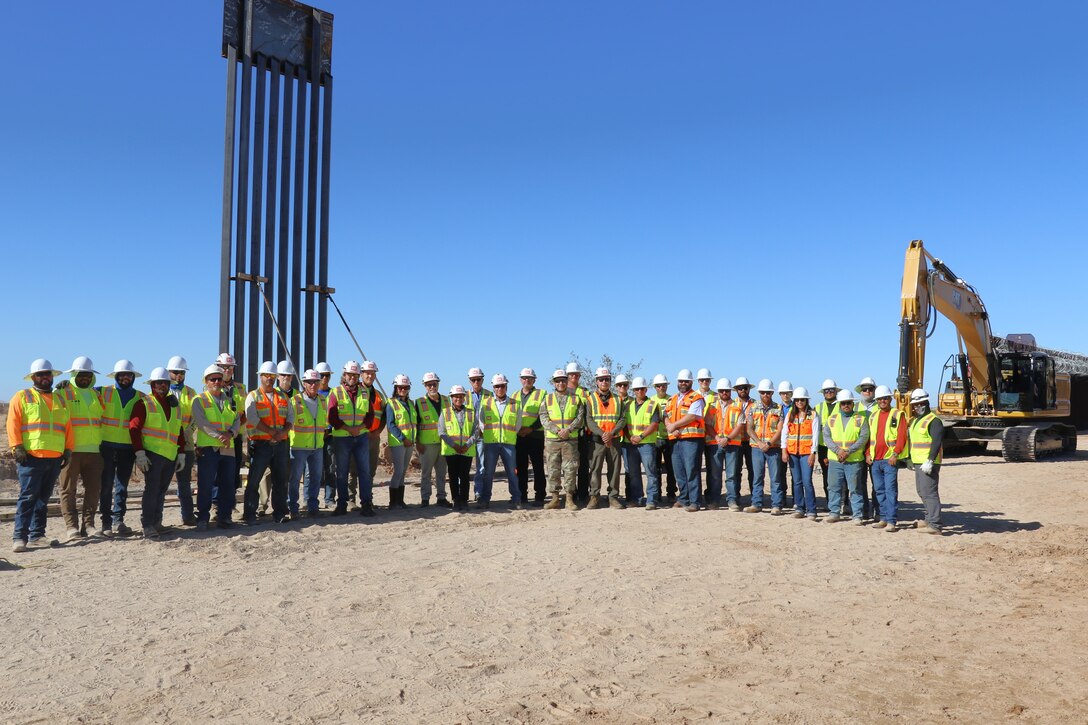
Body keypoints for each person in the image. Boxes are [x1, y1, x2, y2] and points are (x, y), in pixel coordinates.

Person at [9, 359, 72, 552]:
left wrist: (68, 449)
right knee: (28, 497)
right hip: (31, 457)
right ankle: (20, 537)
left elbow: (67, 427)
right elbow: (13, 423)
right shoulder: (22, 396)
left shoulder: (60, 399)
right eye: (41, 374)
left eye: (48, 374)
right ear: (33, 377)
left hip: (54, 456)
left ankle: (37, 535)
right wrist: (16, 447)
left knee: (43, 499)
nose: (46, 377)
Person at [129, 367, 185, 539]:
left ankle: (157, 522)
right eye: (158, 383)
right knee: (152, 490)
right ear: (152, 384)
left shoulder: (174, 405)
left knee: (161, 491)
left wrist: (181, 453)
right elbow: (134, 428)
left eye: (165, 383)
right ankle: (147, 524)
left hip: (169, 455)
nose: (162, 385)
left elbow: (179, 430)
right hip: (152, 455)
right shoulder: (144, 403)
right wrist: (139, 453)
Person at [56, 356, 104, 540]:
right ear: (74, 374)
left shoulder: (95, 394)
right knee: (68, 489)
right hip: (71, 451)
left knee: (93, 490)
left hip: (94, 451)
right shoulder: (62, 393)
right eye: (81, 375)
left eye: (88, 375)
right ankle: (71, 527)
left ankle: (89, 525)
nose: (84, 378)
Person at [243, 362, 294, 524]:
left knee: (280, 481)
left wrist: (283, 432)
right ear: (260, 376)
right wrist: (271, 432)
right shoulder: (253, 396)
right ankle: (250, 514)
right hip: (260, 444)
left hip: (281, 444)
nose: (269, 379)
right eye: (266, 376)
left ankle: (279, 513)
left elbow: (290, 419)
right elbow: (252, 418)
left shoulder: (284, 397)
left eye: (272, 376)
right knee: (254, 481)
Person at [191, 364, 241, 530]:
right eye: (213, 379)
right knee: (206, 484)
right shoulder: (199, 400)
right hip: (209, 448)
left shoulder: (229, 400)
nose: (217, 382)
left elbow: (237, 420)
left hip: (228, 448)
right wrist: (220, 436)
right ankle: (203, 518)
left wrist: (231, 433)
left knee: (228, 484)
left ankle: (224, 517)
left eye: (219, 379)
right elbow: (201, 422)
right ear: (206, 381)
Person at [98, 359, 142, 536]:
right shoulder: (102, 392)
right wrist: (66, 385)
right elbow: (79, 393)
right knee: (106, 485)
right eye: (122, 375)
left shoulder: (140, 397)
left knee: (122, 486)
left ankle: (118, 520)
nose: (125, 378)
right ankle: (106, 523)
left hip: (127, 448)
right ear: (116, 376)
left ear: (133, 377)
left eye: (128, 375)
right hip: (106, 446)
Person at [328, 360, 374, 516]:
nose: (352, 377)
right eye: (350, 374)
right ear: (344, 375)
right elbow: (331, 417)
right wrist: (349, 429)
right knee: (341, 472)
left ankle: (366, 504)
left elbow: (370, 417)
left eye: (355, 375)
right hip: (342, 438)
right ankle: (342, 504)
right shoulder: (335, 392)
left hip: (361, 437)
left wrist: (358, 429)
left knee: (364, 472)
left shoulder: (365, 392)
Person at [822, 389, 870, 524]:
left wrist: (848, 452)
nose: (846, 405)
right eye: (843, 403)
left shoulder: (860, 419)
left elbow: (863, 438)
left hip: (854, 460)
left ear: (853, 404)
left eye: (848, 403)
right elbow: (826, 437)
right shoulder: (831, 420)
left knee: (855, 488)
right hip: (835, 460)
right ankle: (834, 513)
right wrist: (838, 451)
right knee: (833, 487)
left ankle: (857, 515)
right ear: (839, 404)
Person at [539, 369, 584, 510]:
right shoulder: (547, 399)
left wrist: (568, 430)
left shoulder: (576, 398)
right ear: (554, 383)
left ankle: (569, 499)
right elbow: (543, 417)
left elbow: (580, 417)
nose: (560, 383)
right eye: (557, 381)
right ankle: (555, 499)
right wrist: (557, 430)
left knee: (570, 469)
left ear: (567, 381)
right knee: (553, 469)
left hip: (570, 440)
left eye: (563, 380)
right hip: (553, 440)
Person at [585, 367, 628, 509]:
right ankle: (594, 497)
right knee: (595, 469)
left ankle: (613, 497)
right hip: (597, 440)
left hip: (614, 440)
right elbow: (589, 420)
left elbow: (622, 419)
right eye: (601, 379)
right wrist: (602, 434)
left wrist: (611, 433)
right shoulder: (590, 399)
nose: (604, 382)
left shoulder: (618, 399)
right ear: (596, 381)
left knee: (615, 469)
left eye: (607, 379)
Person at [866, 385, 907, 531]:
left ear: (890, 399)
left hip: (889, 459)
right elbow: (870, 438)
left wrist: (895, 454)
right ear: (876, 400)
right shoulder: (873, 416)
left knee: (890, 490)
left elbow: (902, 436)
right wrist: (867, 454)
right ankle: (883, 518)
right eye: (880, 399)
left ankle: (891, 521)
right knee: (879, 490)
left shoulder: (897, 414)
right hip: (875, 460)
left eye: (885, 398)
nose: (882, 401)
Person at [288, 368, 328, 519]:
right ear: (304, 383)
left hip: (317, 446)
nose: (313, 385)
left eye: (316, 382)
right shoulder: (295, 401)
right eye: (310, 382)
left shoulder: (323, 401)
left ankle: (313, 506)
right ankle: (293, 507)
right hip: (299, 446)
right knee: (295, 478)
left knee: (315, 477)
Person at [479, 374, 522, 510]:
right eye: (497, 386)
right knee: (488, 473)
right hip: (491, 443)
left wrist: (509, 435)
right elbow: (481, 423)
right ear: (493, 388)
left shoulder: (515, 404)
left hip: (508, 443)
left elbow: (518, 424)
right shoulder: (486, 404)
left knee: (512, 472)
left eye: (502, 386)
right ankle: (485, 499)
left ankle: (516, 499)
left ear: (506, 386)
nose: (500, 389)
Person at [665, 369, 705, 513]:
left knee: (692, 470)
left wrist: (674, 425)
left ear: (691, 382)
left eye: (686, 381)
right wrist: (670, 426)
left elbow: (692, 416)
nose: (683, 383)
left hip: (691, 440)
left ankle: (695, 501)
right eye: (681, 381)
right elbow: (666, 414)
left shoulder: (696, 398)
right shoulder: (672, 399)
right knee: (679, 471)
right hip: (675, 439)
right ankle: (683, 498)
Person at [907, 389, 945, 534]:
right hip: (918, 462)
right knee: (922, 491)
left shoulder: (934, 421)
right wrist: (910, 459)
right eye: (915, 405)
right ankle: (929, 519)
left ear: (926, 403)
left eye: (920, 404)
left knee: (929, 492)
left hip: (928, 463)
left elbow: (936, 442)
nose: (917, 407)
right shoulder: (917, 421)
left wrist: (930, 460)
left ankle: (935, 525)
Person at [166, 356, 199, 526]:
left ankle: (187, 515)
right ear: (168, 372)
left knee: (184, 482)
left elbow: (196, 417)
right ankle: (155, 519)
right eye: (175, 372)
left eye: (182, 372)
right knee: (160, 482)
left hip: (185, 444)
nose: (179, 375)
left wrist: (189, 431)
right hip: (166, 444)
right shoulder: (162, 391)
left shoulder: (191, 393)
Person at [745, 379, 784, 514]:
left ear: (772, 392)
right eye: (763, 392)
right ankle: (756, 503)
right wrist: (760, 443)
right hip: (757, 448)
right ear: (759, 393)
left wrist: (769, 443)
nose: (765, 395)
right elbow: (749, 428)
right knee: (757, 477)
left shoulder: (779, 409)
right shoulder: (752, 408)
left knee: (775, 478)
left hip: (773, 448)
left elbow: (780, 430)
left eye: (768, 392)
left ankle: (776, 505)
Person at [439, 385, 479, 512]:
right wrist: (454, 445)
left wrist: (467, 445)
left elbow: (476, 431)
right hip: (452, 451)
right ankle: (456, 500)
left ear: (464, 398)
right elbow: (442, 432)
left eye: (461, 396)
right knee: (453, 476)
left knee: (465, 476)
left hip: (466, 450)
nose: (458, 399)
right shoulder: (445, 412)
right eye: (456, 396)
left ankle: (464, 500)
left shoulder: (471, 413)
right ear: (452, 397)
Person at [214, 353, 248, 505]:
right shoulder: (212, 386)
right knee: (216, 474)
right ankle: (215, 505)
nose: (227, 370)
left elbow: (245, 413)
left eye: (230, 367)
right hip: (217, 437)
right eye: (224, 367)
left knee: (232, 472)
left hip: (235, 437)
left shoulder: (241, 388)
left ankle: (230, 503)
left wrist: (234, 430)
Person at [782, 387, 818, 520]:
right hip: (792, 453)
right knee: (796, 481)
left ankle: (811, 510)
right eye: (797, 400)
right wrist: (783, 450)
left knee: (807, 481)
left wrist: (813, 453)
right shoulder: (790, 414)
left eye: (802, 400)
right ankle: (799, 508)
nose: (800, 402)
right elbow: (785, 433)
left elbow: (815, 435)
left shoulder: (813, 415)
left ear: (806, 400)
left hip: (806, 453)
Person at [512, 368, 546, 505]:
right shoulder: (514, 395)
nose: (527, 380)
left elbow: (544, 415)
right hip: (519, 436)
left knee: (538, 467)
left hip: (535, 435)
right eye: (524, 378)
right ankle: (522, 495)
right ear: (520, 379)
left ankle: (540, 496)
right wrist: (518, 431)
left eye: (530, 378)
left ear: (534, 380)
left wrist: (530, 429)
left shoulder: (542, 394)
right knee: (521, 467)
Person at [625, 377, 661, 509]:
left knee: (650, 472)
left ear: (646, 389)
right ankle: (637, 499)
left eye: (642, 388)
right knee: (633, 474)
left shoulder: (652, 404)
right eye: (637, 389)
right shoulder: (628, 405)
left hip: (647, 444)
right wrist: (630, 437)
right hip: (632, 444)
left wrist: (640, 436)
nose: (639, 391)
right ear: (633, 390)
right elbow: (625, 424)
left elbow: (654, 424)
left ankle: (651, 500)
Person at [416, 372, 450, 507]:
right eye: (429, 384)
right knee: (426, 473)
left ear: (438, 384)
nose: (432, 387)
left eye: (434, 384)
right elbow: (416, 424)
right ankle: (425, 499)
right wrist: (417, 442)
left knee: (441, 473)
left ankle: (441, 498)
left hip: (444, 443)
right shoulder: (419, 402)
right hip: (427, 444)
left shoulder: (447, 400)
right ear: (425, 386)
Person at [384, 374, 417, 510]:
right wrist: (403, 439)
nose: (403, 390)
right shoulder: (391, 404)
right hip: (399, 442)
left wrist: (412, 440)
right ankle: (393, 502)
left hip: (410, 442)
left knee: (403, 471)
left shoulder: (411, 404)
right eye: (400, 387)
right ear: (396, 388)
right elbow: (391, 425)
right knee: (398, 471)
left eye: (406, 387)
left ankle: (400, 501)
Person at [723, 377, 755, 511]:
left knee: (753, 471)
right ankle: (734, 498)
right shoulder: (732, 404)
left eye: (745, 388)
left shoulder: (755, 404)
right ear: (735, 390)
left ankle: (755, 499)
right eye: (740, 388)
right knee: (734, 472)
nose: (743, 390)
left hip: (751, 443)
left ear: (749, 389)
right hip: (735, 442)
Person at [464, 367, 492, 503]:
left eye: (478, 379)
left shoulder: (490, 394)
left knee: (481, 466)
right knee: (464, 466)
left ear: (482, 380)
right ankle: (461, 494)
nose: (476, 382)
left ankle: (478, 492)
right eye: (473, 380)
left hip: (483, 435)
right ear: (469, 381)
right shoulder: (463, 396)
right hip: (468, 436)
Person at [705, 378, 733, 510]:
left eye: (726, 390)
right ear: (718, 392)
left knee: (731, 474)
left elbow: (740, 425)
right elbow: (708, 424)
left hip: (732, 444)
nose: (724, 392)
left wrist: (727, 438)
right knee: (715, 475)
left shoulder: (736, 406)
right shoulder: (712, 407)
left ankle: (732, 500)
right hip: (714, 444)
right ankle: (715, 500)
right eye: (721, 391)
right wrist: (716, 437)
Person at [567, 362, 592, 504]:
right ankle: (571, 492)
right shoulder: (562, 391)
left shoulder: (585, 392)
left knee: (583, 465)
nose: (575, 377)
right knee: (569, 466)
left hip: (582, 433)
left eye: (577, 375)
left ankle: (583, 493)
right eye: (572, 375)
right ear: (567, 376)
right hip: (568, 434)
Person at [361, 361, 385, 501]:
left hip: (374, 437)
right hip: (358, 436)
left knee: (370, 470)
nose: (369, 376)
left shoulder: (379, 395)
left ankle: (367, 498)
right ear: (362, 374)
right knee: (353, 470)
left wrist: (378, 431)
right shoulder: (355, 392)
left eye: (372, 373)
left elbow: (383, 416)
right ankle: (351, 500)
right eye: (367, 373)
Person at [854, 376, 878, 519]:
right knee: (859, 482)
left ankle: (877, 510)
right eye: (865, 389)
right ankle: (863, 510)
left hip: (875, 449)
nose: (867, 392)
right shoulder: (855, 407)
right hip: (858, 450)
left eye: (870, 389)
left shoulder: (880, 406)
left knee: (877, 484)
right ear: (861, 391)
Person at [814, 378, 840, 509]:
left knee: (842, 476)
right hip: (823, 446)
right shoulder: (818, 408)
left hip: (840, 446)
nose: (829, 393)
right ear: (823, 393)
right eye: (826, 391)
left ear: (836, 391)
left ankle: (844, 502)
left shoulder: (842, 405)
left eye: (831, 390)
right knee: (827, 476)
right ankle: (830, 502)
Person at [650, 374, 675, 504]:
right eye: (659, 386)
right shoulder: (651, 401)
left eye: (664, 385)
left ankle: (671, 493)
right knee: (656, 468)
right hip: (656, 438)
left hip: (670, 438)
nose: (662, 387)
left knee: (671, 468)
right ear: (655, 387)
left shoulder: (672, 399)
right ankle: (657, 494)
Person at [776, 380, 793, 509]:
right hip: (779, 445)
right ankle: (782, 498)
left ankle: (796, 499)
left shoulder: (797, 407)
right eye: (783, 393)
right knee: (780, 473)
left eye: (787, 393)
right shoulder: (777, 408)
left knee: (795, 474)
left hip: (793, 444)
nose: (785, 396)